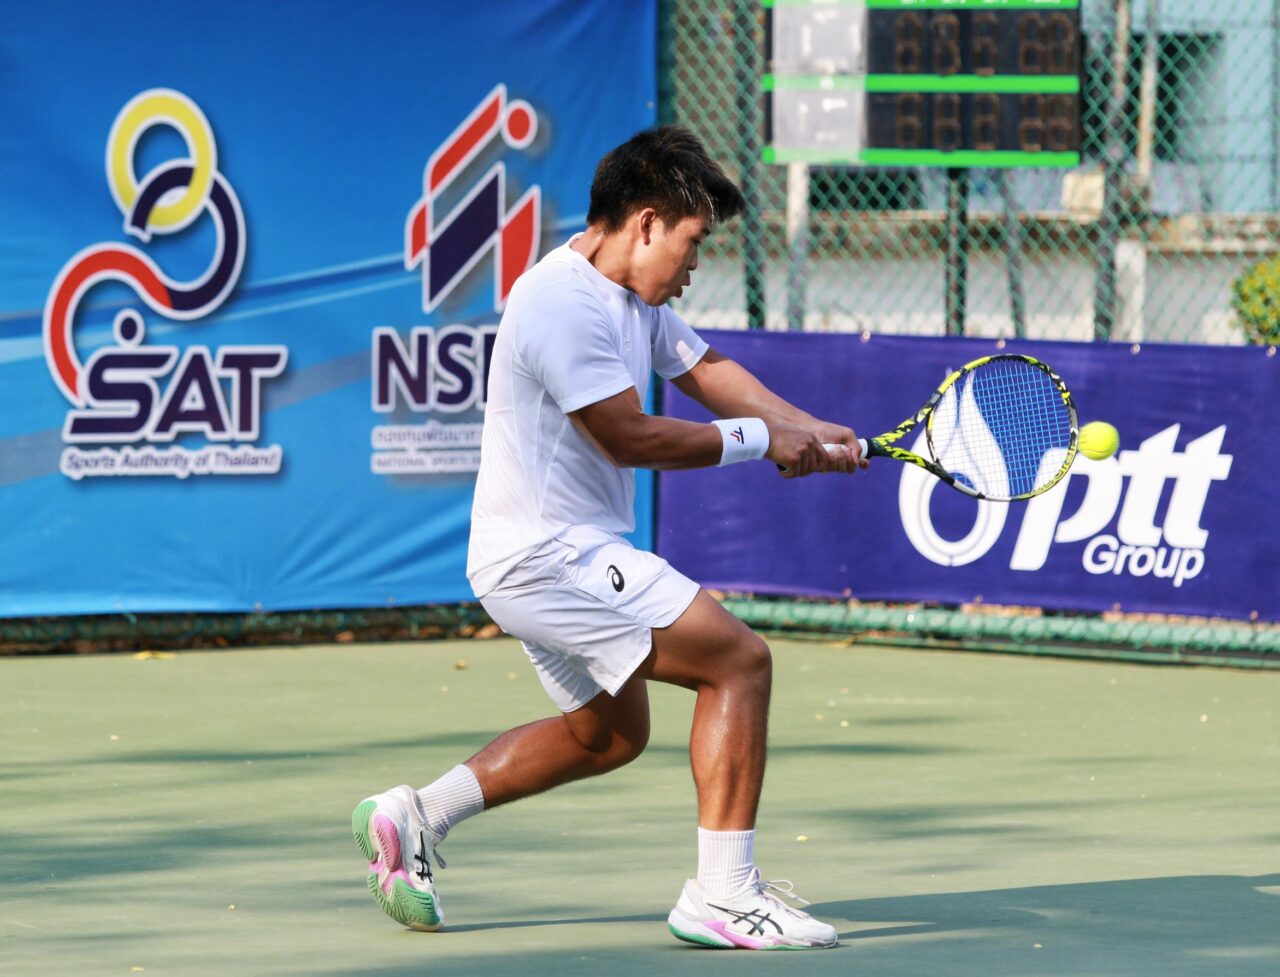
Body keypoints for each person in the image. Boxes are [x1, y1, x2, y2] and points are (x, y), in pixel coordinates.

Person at [352, 125, 865, 950]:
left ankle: (418, 814)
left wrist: (806, 427)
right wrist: (762, 441)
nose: (695, 265)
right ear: (648, 222)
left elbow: (707, 371)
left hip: (538, 557)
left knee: (610, 735)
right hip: (550, 555)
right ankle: (724, 894)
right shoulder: (560, 302)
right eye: (694, 242)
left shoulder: (632, 296)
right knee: (738, 661)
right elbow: (628, 436)